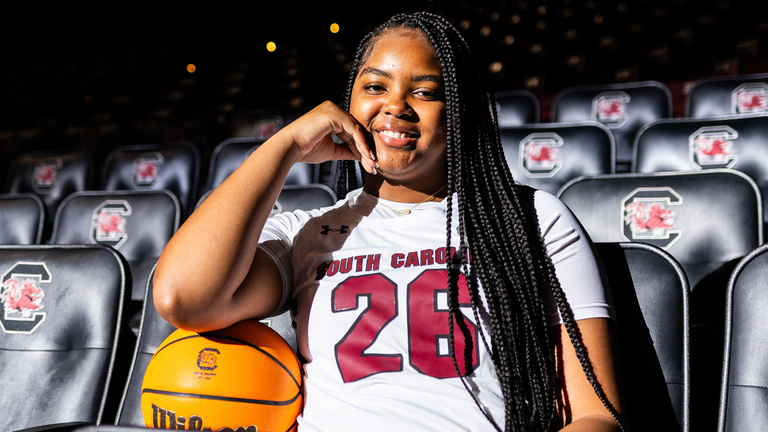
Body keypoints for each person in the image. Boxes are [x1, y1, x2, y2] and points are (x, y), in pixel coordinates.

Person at [154, 12, 625, 432]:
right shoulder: (306, 232)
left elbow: (597, 415)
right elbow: (183, 297)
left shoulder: (532, 221)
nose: (395, 105)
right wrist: (287, 147)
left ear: (459, 113)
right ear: (349, 102)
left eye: (424, 91)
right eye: (375, 86)